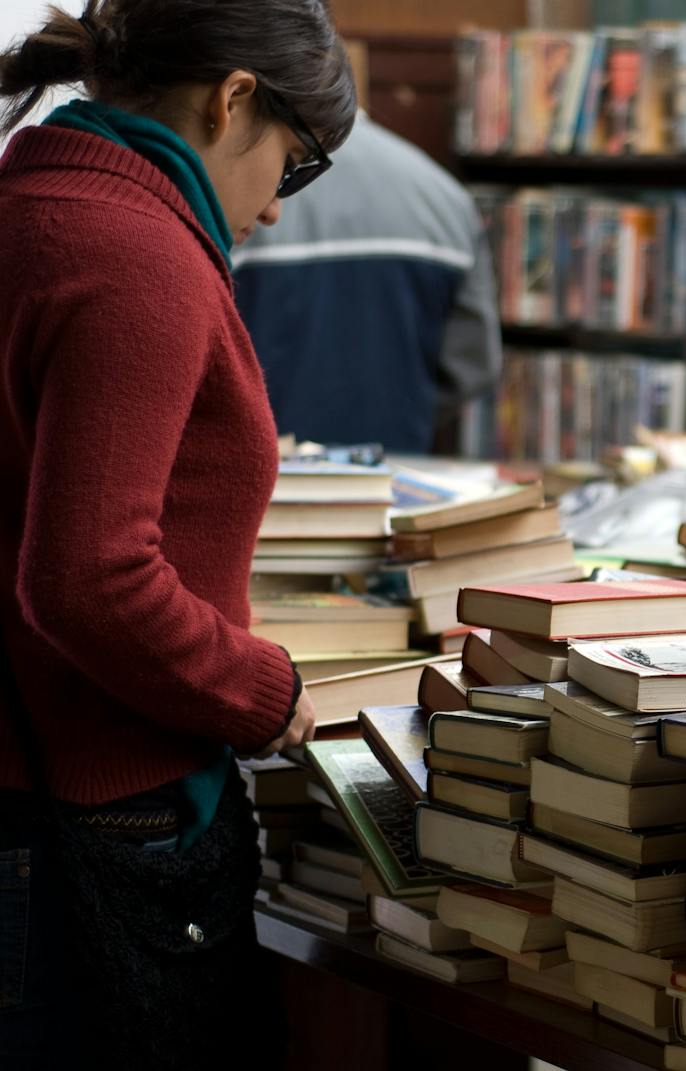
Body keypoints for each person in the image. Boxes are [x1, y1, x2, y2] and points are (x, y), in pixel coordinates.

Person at [0, 0, 354, 1062]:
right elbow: (89, 577)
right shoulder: (136, 254)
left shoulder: (32, 206)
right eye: (291, 166)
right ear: (232, 98)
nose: (279, 210)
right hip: (90, 815)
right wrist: (260, 690)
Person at [232, 110, 502, 455]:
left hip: (267, 477)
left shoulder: (244, 197)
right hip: (393, 476)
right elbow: (471, 366)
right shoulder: (445, 197)